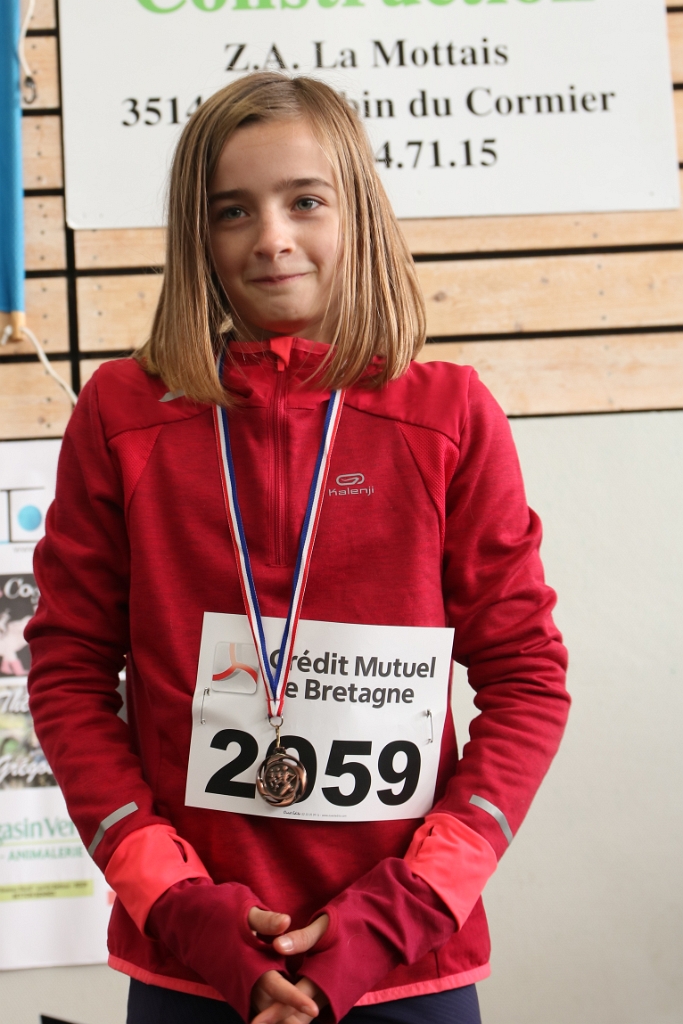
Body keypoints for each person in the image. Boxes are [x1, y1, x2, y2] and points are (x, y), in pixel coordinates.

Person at [26, 73, 569, 1024]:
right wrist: (172, 899)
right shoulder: (121, 414)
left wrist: (405, 908)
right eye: (232, 210)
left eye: (304, 201)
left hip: (405, 955)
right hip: (193, 957)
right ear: (198, 237)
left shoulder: (449, 414)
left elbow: (526, 678)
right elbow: (69, 672)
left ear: (356, 212)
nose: (271, 237)